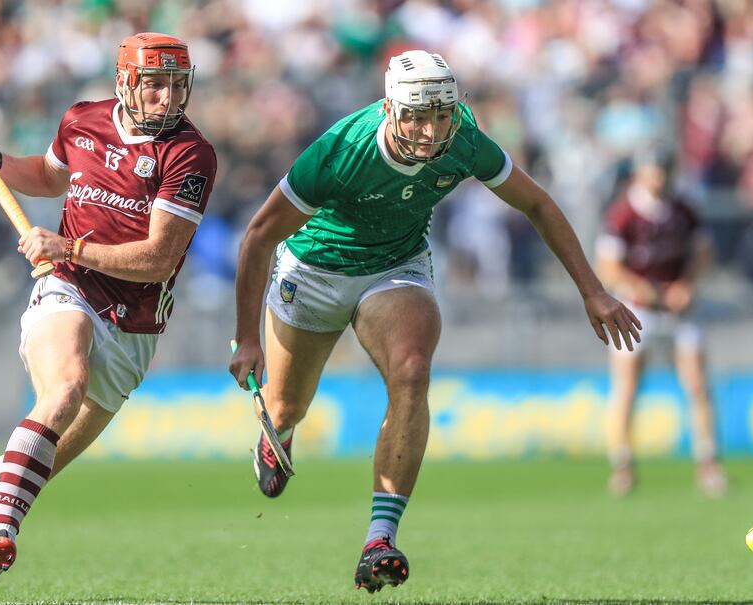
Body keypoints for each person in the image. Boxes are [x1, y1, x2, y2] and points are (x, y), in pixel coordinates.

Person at [228, 50, 641, 594]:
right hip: (314, 270)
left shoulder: (465, 139)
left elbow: (537, 204)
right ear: (389, 110)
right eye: (417, 117)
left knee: (412, 370)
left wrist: (593, 291)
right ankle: (279, 431)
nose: (430, 132)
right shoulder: (341, 151)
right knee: (286, 405)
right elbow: (259, 235)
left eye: (441, 115)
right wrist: (247, 337)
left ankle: (379, 538)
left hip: (395, 266)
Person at [0, 33, 217, 592]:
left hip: (134, 323)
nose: (169, 97)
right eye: (155, 84)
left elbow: (157, 260)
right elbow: (50, 176)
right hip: (69, 288)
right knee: (64, 390)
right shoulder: (83, 119)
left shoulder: (190, 153)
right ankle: (0, 532)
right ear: (125, 82)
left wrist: (69, 245)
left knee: (39, 467)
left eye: (178, 85)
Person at [596, 150, 726, 498]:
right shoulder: (623, 213)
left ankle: (708, 464)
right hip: (637, 311)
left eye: (665, 170)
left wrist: (687, 286)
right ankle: (622, 466)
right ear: (641, 173)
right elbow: (608, 266)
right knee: (626, 387)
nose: (660, 177)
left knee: (698, 385)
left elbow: (702, 254)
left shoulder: (684, 210)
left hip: (680, 311)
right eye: (655, 170)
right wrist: (646, 291)